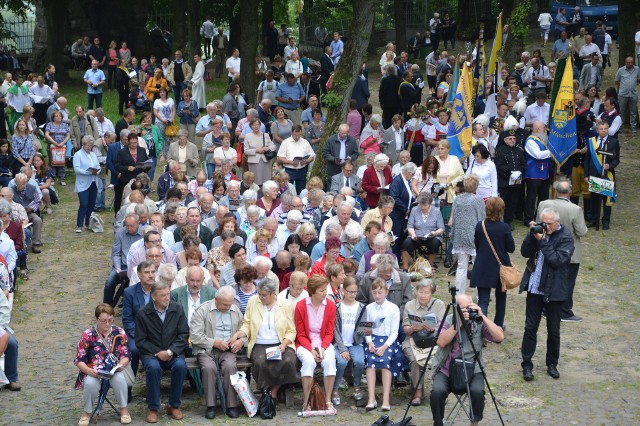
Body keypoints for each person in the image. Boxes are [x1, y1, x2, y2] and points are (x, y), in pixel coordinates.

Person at [430, 293, 505, 425]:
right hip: (447, 369)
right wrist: (458, 323)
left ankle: (474, 422)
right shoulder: (448, 320)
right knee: (437, 391)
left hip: (473, 369)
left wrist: (482, 315)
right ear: (455, 308)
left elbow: (499, 337)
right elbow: (441, 342)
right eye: (462, 308)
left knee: (477, 392)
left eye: (468, 308)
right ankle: (438, 423)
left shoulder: (478, 321)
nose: (466, 312)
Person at [520, 207, 574, 382]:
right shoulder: (539, 232)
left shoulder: (566, 237)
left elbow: (557, 260)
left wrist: (543, 241)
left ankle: (552, 364)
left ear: (558, 223)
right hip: (535, 288)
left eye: (549, 224)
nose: (546, 226)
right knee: (530, 328)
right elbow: (524, 252)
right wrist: (531, 235)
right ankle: (527, 364)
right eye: (544, 223)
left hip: (555, 290)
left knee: (553, 330)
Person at [230, 278, 298, 400]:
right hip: (260, 343)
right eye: (259, 294)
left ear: (273, 294)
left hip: (280, 343)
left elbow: (291, 330)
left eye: (264, 295)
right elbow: (247, 323)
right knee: (261, 363)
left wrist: (285, 343)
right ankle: (268, 391)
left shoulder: (286, 304)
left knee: (288, 361)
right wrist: (238, 334)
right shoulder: (253, 301)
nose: (261, 297)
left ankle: (273, 391)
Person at [135, 280, 189, 422]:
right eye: (163, 295)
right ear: (154, 297)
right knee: (153, 368)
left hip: (173, 352)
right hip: (151, 353)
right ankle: (153, 407)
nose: (167, 298)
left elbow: (183, 335)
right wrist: (159, 353)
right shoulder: (143, 313)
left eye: (168, 294)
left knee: (180, 366)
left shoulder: (177, 309)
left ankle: (174, 405)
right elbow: (140, 340)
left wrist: (170, 352)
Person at [190, 286, 245, 419]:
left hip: (228, 349)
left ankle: (231, 405)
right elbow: (195, 336)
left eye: (229, 304)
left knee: (230, 366)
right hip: (206, 349)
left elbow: (245, 331)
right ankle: (211, 405)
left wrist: (241, 342)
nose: (227, 307)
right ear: (216, 299)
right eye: (224, 304)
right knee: (209, 368)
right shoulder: (203, 310)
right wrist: (214, 343)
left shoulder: (235, 310)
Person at [537, 178, 587, 322]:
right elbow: (582, 231)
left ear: (555, 190)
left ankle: (545, 308)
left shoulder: (543, 204)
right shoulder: (575, 209)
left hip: (546, 248)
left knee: (546, 278)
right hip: (568, 252)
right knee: (567, 282)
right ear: (570, 192)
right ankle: (564, 311)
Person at [74, 304, 131, 426]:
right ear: (96, 319)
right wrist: (88, 371)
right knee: (89, 383)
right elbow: (79, 360)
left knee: (120, 379)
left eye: (110, 320)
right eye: (103, 321)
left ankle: (124, 409)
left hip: (113, 371)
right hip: (94, 371)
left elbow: (126, 354)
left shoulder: (119, 332)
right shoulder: (87, 335)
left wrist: (121, 364)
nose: (107, 324)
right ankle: (87, 412)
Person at [470, 197, 515, 330]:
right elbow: (511, 248)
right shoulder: (504, 227)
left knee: (483, 300)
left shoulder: (480, 225)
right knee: (501, 298)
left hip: (483, 266)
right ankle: (498, 325)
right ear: (501, 210)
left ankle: (480, 328)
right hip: (500, 268)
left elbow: (477, 245)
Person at [294, 274, 337, 411]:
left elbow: (330, 332)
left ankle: (328, 400)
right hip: (305, 343)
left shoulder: (330, 305)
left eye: (325, 289)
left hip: (323, 342)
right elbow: (300, 334)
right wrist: (311, 350)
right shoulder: (301, 306)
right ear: (312, 291)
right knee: (309, 362)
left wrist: (323, 348)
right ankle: (306, 401)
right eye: (322, 290)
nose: (325, 293)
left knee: (330, 360)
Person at [402, 279, 446, 406]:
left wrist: (434, 328)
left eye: (426, 292)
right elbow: (405, 328)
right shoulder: (410, 305)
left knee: (439, 357)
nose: (423, 295)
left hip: (433, 340)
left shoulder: (439, 304)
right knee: (414, 359)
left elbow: (444, 327)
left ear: (431, 293)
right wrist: (411, 328)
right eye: (420, 292)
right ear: (416, 292)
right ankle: (418, 392)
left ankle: (439, 390)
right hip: (413, 339)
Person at [363, 278, 403, 412]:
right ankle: (371, 398)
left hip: (388, 341)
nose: (377, 296)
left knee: (386, 361)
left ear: (386, 292)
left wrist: (385, 346)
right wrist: (369, 343)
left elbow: (394, 332)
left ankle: (386, 399)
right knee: (370, 361)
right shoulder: (369, 308)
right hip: (373, 340)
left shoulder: (393, 308)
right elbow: (367, 329)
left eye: (380, 292)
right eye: (374, 293)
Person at [332, 276, 366, 404]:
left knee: (359, 362)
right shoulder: (337, 307)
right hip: (340, 344)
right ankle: (335, 389)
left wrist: (367, 332)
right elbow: (335, 330)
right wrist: (342, 348)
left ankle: (356, 386)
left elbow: (363, 327)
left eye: (355, 292)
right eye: (350, 291)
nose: (352, 294)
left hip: (355, 343)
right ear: (343, 291)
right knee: (341, 363)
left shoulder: (362, 307)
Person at [584, 121, 619, 230]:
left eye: (605, 128)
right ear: (597, 130)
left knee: (606, 199)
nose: (603, 130)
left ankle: (605, 221)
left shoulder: (613, 142)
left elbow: (617, 160)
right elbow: (587, 159)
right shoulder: (592, 141)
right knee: (594, 199)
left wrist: (610, 165)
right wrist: (586, 175)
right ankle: (594, 220)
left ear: (608, 129)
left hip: (607, 174)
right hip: (594, 174)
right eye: (601, 129)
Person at [402, 193, 444, 270]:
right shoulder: (414, 210)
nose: (423, 207)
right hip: (417, 235)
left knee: (434, 244)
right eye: (421, 205)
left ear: (430, 204)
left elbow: (441, 228)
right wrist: (413, 234)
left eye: (425, 205)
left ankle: (428, 266)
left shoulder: (436, 211)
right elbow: (410, 226)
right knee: (407, 243)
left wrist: (435, 233)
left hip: (432, 236)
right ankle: (405, 268)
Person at [495, 130, 527, 226]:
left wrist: (519, 171)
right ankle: (501, 220)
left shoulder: (518, 150)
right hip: (504, 181)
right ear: (505, 140)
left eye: (514, 139)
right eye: (510, 139)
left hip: (516, 181)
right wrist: (509, 173)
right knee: (503, 202)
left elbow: (523, 163)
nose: (512, 140)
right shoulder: (500, 150)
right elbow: (498, 165)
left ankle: (509, 221)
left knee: (513, 202)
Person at [523, 122, 553, 224]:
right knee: (531, 197)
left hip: (545, 172)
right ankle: (528, 219)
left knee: (543, 197)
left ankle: (540, 217)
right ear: (538, 129)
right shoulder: (531, 141)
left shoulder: (543, 139)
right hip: (533, 173)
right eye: (544, 128)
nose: (546, 130)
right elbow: (538, 155)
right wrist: (552, 152)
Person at [73, 135, 100, 233]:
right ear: (83, 144)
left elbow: (97, 165)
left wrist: (98, 171)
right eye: (88, 145)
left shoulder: (93, 154)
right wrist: (88, 172)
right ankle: (79, 224)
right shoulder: (78, 155)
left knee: (91, 204)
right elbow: (76, 169)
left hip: (93, 181)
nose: (89, 147)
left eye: (91, 145)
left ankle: (88, 223)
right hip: (83, 183)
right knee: (84, 203)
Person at [244, 118, 276, 186]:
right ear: (251, 126)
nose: (256, 126)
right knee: (255, 181)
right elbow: (246, 151)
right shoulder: (247, 136)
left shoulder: (265, 135)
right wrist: (256, 150)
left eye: (257, 124)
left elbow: (273, 146)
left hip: (265, 160)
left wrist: (268, 148)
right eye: (254, 125)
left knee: (267, 181)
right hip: (254, 161)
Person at [44, 110, 70, 186]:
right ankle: (52, 178)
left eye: (60, 116)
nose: (58, 117)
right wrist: (54, 142)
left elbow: (68, 135)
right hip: (52, 145)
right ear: (53, 117)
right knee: (52, 162)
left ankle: (62, 178)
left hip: (63, 146)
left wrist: (62, 143)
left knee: (62, 162)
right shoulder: (49, 124)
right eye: (56, 116)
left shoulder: (65, 125)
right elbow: (47, 134)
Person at [615, 56, 639, 133]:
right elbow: (617, 81)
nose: (630, 64)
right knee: (621, 111)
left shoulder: (637, 69)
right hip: (622, 94)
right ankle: (620, 127)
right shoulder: (621, 70)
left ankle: (633, 128)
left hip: (633, 94)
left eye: (631, 62)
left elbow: (638, 80)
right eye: (628, 62)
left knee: (633, 111)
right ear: (625, 62)